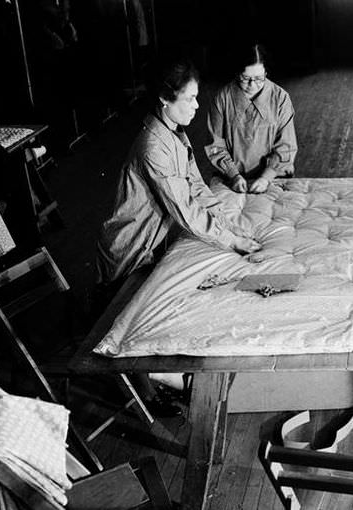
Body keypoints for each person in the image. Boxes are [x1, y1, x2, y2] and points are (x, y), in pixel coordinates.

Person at [95, 54, 261, 415]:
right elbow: (184, 211)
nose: (197, 105)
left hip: (156, 240)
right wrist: (232, 242)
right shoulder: (153, 145)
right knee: (143, 318)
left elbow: (197, 189)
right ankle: (162, 382)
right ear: (164, 101)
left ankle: (162, 381)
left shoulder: (174, 132)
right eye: (190, 99)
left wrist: (233, 227)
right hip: (131, 247)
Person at [205, 44, 297, 194]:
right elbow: (215, 146)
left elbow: (286, 146)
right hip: (232, 178)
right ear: (237, 74)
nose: (252, 85)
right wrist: (234, 175)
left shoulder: (280, 98)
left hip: (273, 177)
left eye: (259, 78)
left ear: (266, 72)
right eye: (245, 78)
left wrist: (266, 178)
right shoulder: (223, 98)